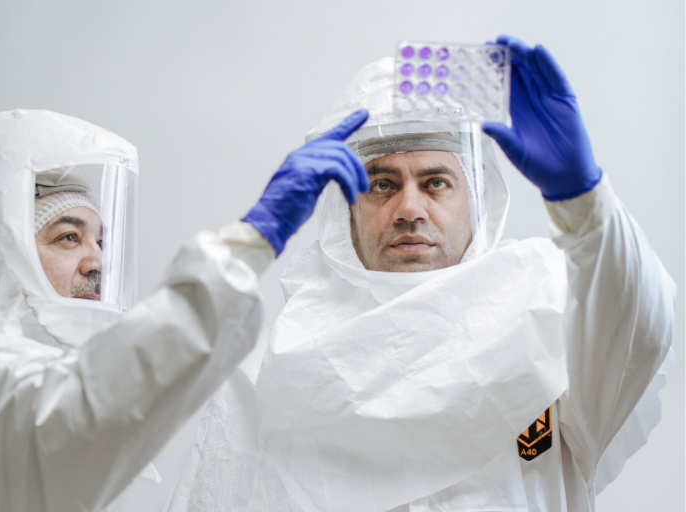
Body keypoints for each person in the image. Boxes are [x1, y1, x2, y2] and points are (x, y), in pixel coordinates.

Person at [166, 37, 676, 512]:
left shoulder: (543, 320)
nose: (410, 208)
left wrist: (585, 203)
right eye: (382, 184)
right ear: (346, 211)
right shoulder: (267, 376)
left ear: (476, 202)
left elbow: (637, 332)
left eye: (436, 182)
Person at [0, 107, 370, 512]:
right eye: (67, 237)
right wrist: (253, 240)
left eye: (101, 240)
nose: (97, 261)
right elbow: (98, 400)